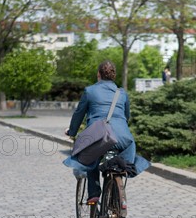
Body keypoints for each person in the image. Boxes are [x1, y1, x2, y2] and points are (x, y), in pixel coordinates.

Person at [64, 60, 150, 203]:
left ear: (98, 74)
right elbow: (126, 116)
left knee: (89, 159)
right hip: (125, 139)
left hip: (99, 137)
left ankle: (94, 194)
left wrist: (72, 132)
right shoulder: (122, 93)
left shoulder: (90, 91)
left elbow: (79, 114)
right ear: (114, 75)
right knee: (120, 167)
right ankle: (116, 203)